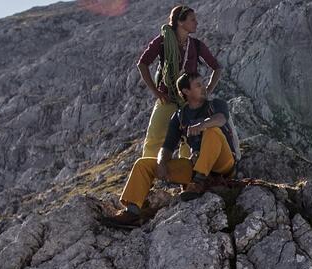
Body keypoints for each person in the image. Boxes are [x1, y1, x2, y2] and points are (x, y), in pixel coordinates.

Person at [101, 75, 236, 227]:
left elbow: (221, 119)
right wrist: (161, 162)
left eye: (203, 84)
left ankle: (198, 182)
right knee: (143, 164)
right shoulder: (179, 116)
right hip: (195, 166)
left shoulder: (216, 105)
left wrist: (201, 125)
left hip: (222, 163)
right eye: (198, 85)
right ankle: (132, 212)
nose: (204, 87)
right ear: (186, 91)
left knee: (212, 131)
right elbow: (167, 147)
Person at [136, 5, 222, 160]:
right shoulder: (163, 41)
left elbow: (217, 67)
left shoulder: (196, 45)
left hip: (189, 102)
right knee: (154, 139)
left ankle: (186, 180)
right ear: (180, 23)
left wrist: (207, 89)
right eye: (192, 20)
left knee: (189, 142)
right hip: (167, 98)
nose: (196, 23)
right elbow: (142, 64)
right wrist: (156, 92)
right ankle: (146, 175)